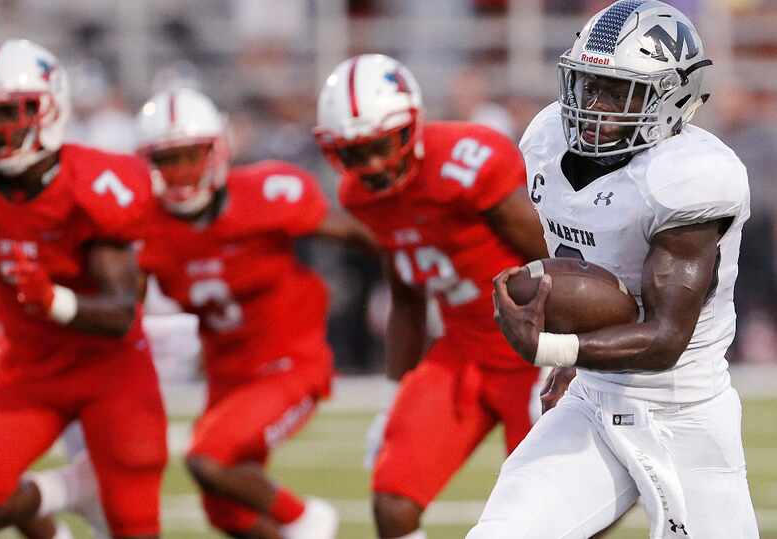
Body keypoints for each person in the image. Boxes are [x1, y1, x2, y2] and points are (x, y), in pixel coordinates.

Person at [470, 1, 760, 538]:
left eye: (618, 91)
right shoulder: (545, 138)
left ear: (673, 98)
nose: (594, 106)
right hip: (592, 398)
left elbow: (665, 338)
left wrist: (552, 349)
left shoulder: (690, 177)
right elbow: (584, 269)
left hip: (681, 407)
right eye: (587, 84)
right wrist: (574, 351)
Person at [314, 53, 548, 539]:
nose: (374, 165)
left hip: (533, 352)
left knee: (543, 514)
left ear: (411, 124)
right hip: (463, 354)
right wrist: (394, 393)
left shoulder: (466, 162)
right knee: (393, 502)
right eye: (356, 154)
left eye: (381, 145)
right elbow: (404, 291)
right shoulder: (360, 196)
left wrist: (569, 354)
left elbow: (558, 258)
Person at [0, 39, 167, 539]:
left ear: (50, 109)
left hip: (109, 369)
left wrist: (53, 300)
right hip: (28, 366)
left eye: (11, 112)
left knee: (135, 528)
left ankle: (77, 491)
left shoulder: (94, 183)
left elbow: (121, 313)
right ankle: (68, 496)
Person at [136, 87, 372, 539]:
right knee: (226, 511)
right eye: (168, 160)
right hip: (227, 377)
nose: (182, 173)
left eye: (191, 156)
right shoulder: (146, 228)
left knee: (209, 460)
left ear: (217, 151)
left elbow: (352, 232)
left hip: (290, 365)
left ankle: (306, 521)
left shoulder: (265, 194)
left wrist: (415, 259)